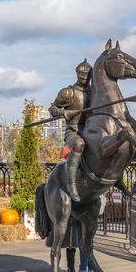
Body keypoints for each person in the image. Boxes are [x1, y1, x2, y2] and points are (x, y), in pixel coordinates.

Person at [49, 59, 92, 202]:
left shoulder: (96, 92)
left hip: (92, 132)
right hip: (73, 132)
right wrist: (63, 113)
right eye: (82, 76)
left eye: (88, 76)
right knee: (79, 144)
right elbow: (52, 109)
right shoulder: (68, 92)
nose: (85, 79)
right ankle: (71, 183)